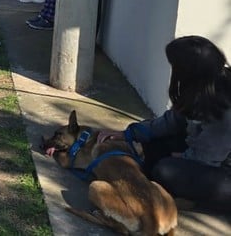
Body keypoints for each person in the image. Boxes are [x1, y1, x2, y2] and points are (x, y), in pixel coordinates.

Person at [97, 36, 231, 212]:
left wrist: (182, 158)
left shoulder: (224, 104)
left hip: (221, 169)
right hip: (204, 154)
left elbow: (209, 156)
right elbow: (171, 122)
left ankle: (205, 203)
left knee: (165, 170)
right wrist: (128, 133)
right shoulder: (199, 88)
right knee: (152, 146)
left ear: (188, 71)